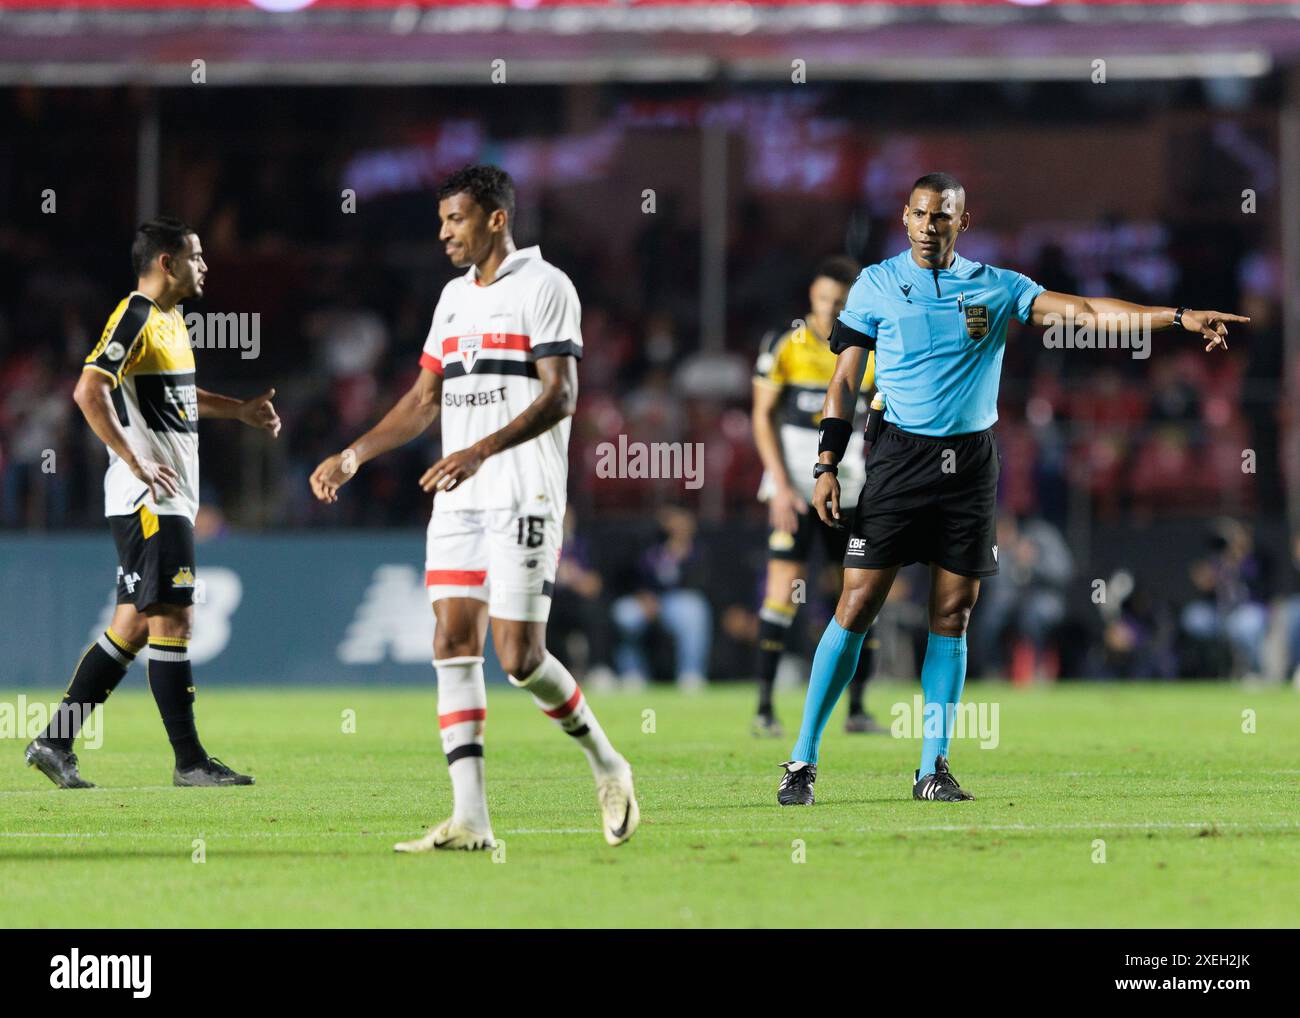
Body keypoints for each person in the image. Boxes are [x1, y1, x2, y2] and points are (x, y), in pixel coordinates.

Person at [777, 171, 1247, 806]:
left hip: (970, 464)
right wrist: (827, 463)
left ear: (960, 223)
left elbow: (1083, 313)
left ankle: (931, 769)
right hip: (896, 457)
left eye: (941, 216)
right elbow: (844, 381)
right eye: (918, 214)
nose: (927, 226)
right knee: (856, 606)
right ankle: (802, 760)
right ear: (905, 216)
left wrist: (1179, 317)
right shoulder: (876, 284)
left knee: (953, 614)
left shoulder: (996, 287)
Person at [310, 165, 638, 851]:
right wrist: (355, 454)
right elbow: (424, 400)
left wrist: (480, 450)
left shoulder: (547, 287)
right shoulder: (454, 298)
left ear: (495, 218)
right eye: (441, 221)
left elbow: (561, 395)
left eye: (455, 220)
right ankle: (471, 820)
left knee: (519, 656)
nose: (443, 234)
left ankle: (608, 763)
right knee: (452, 641)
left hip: (523, 493)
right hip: (458, 501)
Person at [25, 217, 280, 789]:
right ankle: (190, 761)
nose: (206, 264)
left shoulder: (169, 322)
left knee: (132, 627)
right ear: (167, 263)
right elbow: (89, 389)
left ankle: (54, 740)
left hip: (166, 497)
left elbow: (180, 399)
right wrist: (132, 457)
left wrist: (237, 410)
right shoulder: (136, 313)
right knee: (174, 619)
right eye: (196, 256)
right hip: (151, 499)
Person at [751, 256, 883, 737]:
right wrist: (780, 486)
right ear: (812, 295)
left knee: (857, 595)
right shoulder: (785, 344)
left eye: (840, 302)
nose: (831, 309)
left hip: (850, 490)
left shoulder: (869, 348)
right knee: (782, 592)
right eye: (825, 299)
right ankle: (765, 709)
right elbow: (762, 415)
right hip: (794, 490)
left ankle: (857, 710)